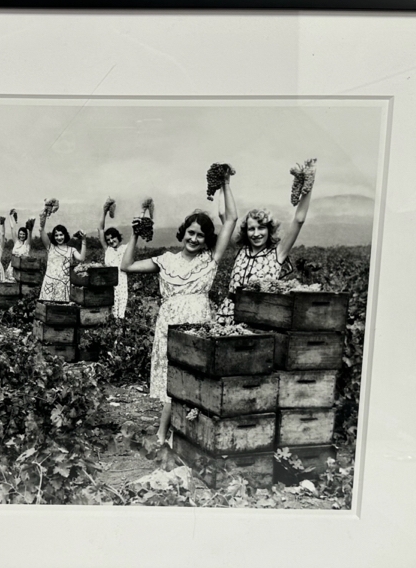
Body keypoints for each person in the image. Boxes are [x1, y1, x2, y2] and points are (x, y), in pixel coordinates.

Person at [121, 182, 237, 445]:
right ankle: (164, 433)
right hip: (169, 323)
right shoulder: (166, 260)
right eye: (191, 233)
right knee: (172, 380)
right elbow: (126, 266)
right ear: (182, 233)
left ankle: (184, 435)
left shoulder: (210, 260)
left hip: (198, 323)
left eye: (200, 236)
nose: (194, 239)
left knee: (194, 379)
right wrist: (135, 234)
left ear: (207, 240)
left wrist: (225, 184)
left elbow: (231, 219)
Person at [215, 173, 314, 324]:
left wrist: (308, 183)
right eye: (251, 229)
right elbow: (224, 214)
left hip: (259, 319)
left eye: (261, 228)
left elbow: (299, 220)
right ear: (245, 232)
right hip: (227, 316)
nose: (256, 234)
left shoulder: (277, 253)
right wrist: (225, 183)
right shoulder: (241, 249)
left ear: (269, 230)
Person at [38, 213, 86, 302]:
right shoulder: (50, 247)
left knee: (61, 312)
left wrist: (83, 240)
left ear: (65, 235)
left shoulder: (71, 250)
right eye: (56, 235)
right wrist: (44, 216)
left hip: (63, 285)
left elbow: (81, 258)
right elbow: (41, 230)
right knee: (47, 310)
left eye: (61, 235)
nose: (59, 237)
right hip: (49, 283)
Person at [98, 202, 129, 318]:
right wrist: (104, 211)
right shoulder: (108, 250)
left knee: (120, 313)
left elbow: (135, 237)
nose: (111, 241)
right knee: (108, 313)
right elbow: (100, 229)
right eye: (108, 239)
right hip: (109, 285)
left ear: (118, 237)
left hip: (121, 284)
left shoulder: (125, 248)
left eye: (113, 238)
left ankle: (119, 333)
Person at [4, 210, 31, 282]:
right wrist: (10, 217)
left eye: (23, 234)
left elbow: (29, 233)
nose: (22, 236)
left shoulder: (27, 244)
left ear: (26, 235)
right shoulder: (16, 242)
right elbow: (12, 228)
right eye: (20, 234)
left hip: (23, 268)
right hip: (12, 267)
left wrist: (29, 225)